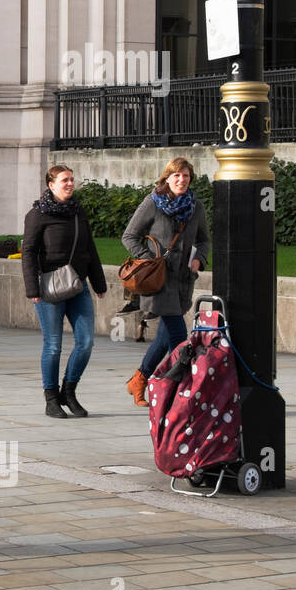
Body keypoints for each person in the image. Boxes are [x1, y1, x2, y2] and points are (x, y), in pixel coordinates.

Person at [121, 157, 211, 406]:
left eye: (186, 176)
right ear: (167, 178)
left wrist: (199, 260)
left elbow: (204, 240)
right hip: (158, 280)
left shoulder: (197, 207)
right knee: (179, 337)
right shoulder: (152, 202)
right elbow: (129, 236)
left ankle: (139, 380)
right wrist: (149, 259)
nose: (181, 180)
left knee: (164, 337)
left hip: (183, 281)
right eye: (176, 176)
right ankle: (182, 389)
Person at [21, 165, 107, 419]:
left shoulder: (78, 211)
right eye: (64, 180)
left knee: (86, 342)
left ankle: (68, 391)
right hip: (49, 288)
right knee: (53, 345)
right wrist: (32, 288)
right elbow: (28, 252)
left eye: (71, 179)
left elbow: (90, 248)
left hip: (77, 285)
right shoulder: (37, 215)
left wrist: (99, 283)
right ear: (51, 185)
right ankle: (51, 398)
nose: (70, 183)